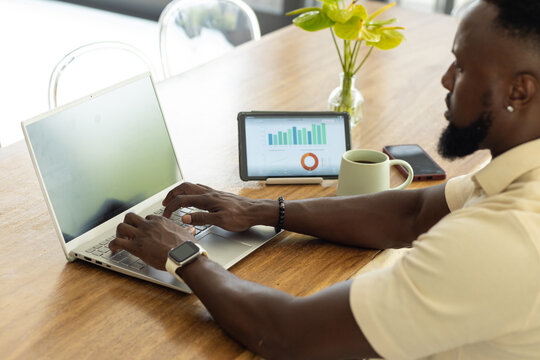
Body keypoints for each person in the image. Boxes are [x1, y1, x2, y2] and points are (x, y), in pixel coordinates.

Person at [109, 0, 540, 358]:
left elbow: (291, 333)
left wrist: (184, 255)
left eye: (461, 68)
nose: (446, 80)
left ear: (518, 92)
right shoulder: (522, 173)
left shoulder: (506, 236)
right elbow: (412, 211)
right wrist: (259, 209)